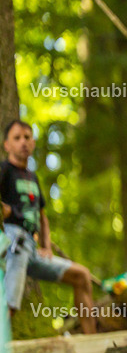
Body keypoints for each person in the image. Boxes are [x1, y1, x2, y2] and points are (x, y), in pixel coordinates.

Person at [2, 119, 96, 333]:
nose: (23, 142)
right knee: (10, 303)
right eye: (17, 138)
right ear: (7, 145)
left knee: (81, 276)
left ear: (33, 143)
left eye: (27, 137)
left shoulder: (32, 177)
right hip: (13, 243)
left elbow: (42, 216)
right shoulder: (4, 170)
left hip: (32, 249)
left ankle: (94, 347)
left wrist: (45, 246)